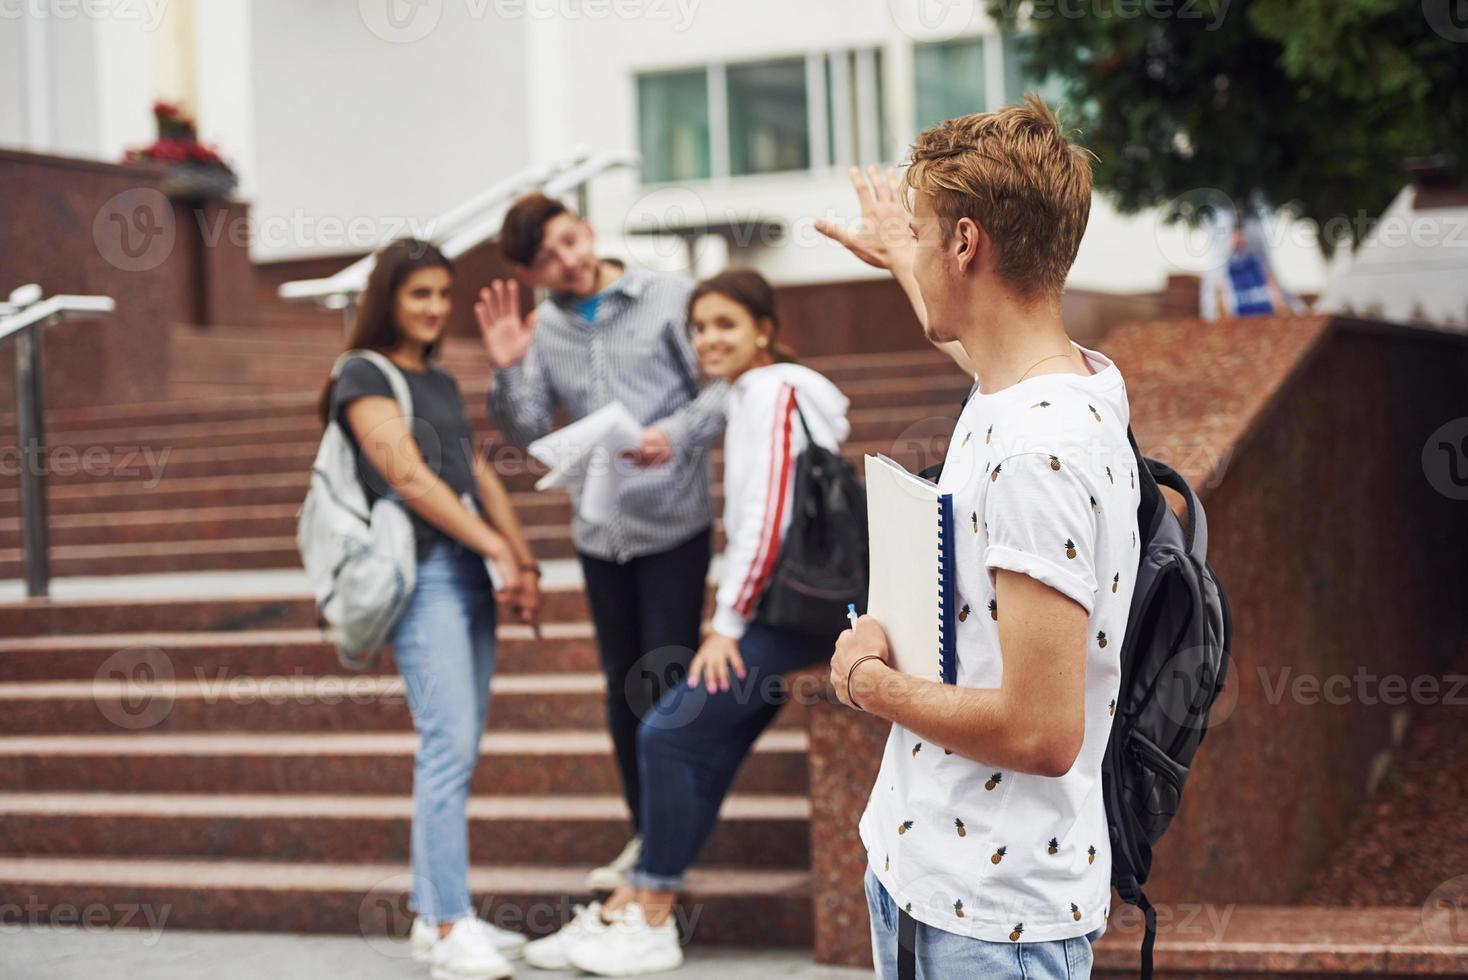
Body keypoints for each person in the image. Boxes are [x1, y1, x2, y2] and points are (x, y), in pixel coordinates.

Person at [816, 97, 1137, 979]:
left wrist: (869, 683)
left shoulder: (1041, 450)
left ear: (965, 244)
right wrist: (896, 257)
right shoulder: (1045, 387)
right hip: (936, 885)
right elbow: (985, 361)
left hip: (992, 923)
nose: (914, 253)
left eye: (922, 235)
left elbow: (1041, 732)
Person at [522, 268, 852, 975]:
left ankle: (652, 915)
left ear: (764, 329)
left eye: (727, 324)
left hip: (793, 609)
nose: (709, 339)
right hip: (783, 603)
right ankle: (629, 906)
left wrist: (725, 622)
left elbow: (769, 516)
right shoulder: (752, 394)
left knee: (668, 735)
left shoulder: (772, 392)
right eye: (700, 326)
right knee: (702, 745)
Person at [475, 194, 727, 891]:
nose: (567, 264)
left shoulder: (670, 296)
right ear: (529, 275)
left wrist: (669, 436)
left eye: (568, 243)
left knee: (666, 680)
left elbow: (724, 389)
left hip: (673, 521)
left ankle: (677, 838)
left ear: (586, 230)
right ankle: (647, 833)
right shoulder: (542, 328)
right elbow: (528, 430)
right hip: (598, 529)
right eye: (546, 261)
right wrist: (506, 368)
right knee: (621, 686)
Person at [319, 238, 540, 980]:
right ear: (388, 298)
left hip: (470, 569)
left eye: (443, 294)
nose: (436, 307)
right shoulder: (361, 375)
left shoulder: (436, 378)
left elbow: (474, 469)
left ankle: (430, 914)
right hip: (424, 577)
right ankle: (450, 925)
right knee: (446, 746)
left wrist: (519, 553)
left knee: (460, 746)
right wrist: (493, 549)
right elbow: (408, 477)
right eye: (420, 294)